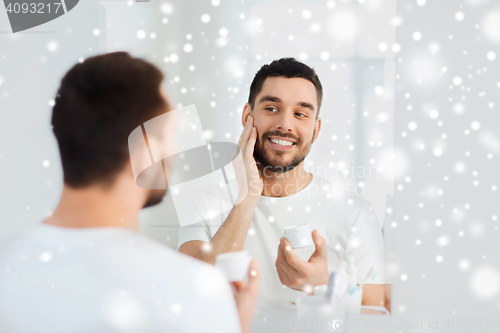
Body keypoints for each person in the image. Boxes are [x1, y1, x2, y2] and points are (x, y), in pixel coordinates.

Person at [0, 52, 260, 333]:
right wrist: (234, 324)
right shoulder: (188, 291)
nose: (175, 151)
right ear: (145, 150)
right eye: (170, 135)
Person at [178, 57, 385, 307]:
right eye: (272, 109)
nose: (285, 124)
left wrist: (322, 285)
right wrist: (248, 197)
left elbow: (378, 315)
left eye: (300, 114)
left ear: (316, 130)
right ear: (247, 116)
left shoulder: (355, 212)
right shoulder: (202, 201)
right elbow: (189, 295)